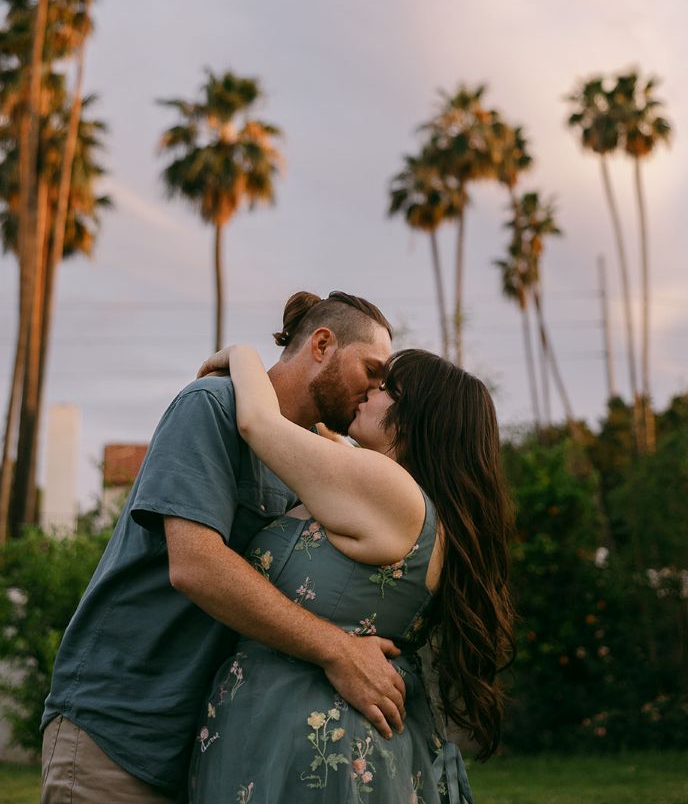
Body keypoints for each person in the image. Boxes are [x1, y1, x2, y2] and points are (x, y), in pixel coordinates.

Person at [41, 291, 407, 804]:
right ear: (322, 344)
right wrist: (339, 651)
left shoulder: (307, 460)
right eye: (371, 369)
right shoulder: (210, 406)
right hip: (120, 729)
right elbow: (194, 565)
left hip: (206, 749)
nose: (375, 391)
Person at [188, 344, 515, 803]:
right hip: (305, 739)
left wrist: (242, 354)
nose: (369, 392)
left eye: (388, 389)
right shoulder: (402, 499)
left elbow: (258, 423)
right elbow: (325, 440)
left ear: (414, 416)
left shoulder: (390, 489)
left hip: (315, 755)